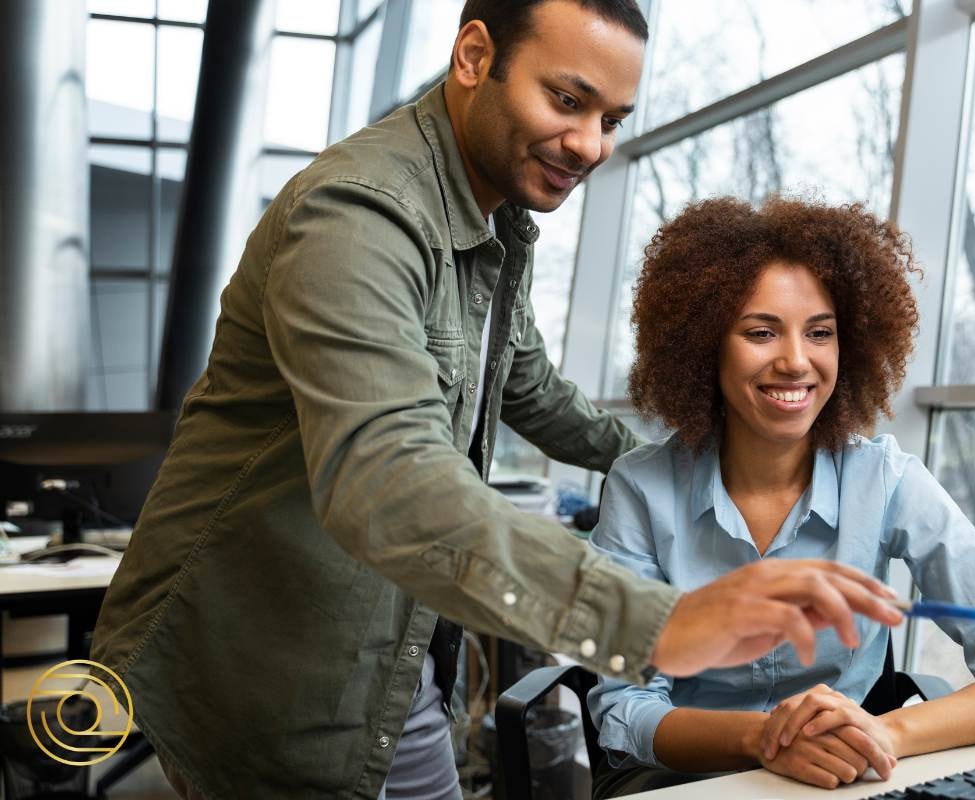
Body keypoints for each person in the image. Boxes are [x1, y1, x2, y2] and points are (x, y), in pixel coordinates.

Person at [88, 3, 904, 799]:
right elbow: (387, 479)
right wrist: (660, 623)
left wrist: (691, 466)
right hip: (269, 656)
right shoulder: (359, 215)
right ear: (474, 57)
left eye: (613, 119)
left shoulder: (496, 220)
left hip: (384, 645)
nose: (589, 145)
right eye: (567, 100)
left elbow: (530, 388)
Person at [586, 196, 975, 798]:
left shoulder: (888, 479)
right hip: (685, 780)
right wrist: (764, 738)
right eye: (761, 332)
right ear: (704, 345)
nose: (796, 361)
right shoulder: (640, 487)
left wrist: (884, 733)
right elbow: (625, 708)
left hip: (845, 776)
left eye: (820, 333)